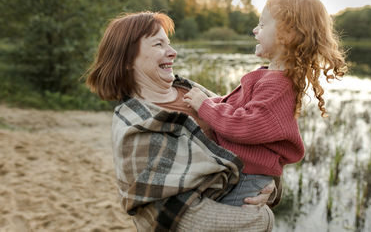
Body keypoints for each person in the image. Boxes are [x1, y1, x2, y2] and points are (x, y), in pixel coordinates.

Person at [85, 12, 280, 232]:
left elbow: (249, 138)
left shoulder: (191, 90)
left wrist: (262, 184)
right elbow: (172, 217)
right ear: (128, 59)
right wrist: (263, 220)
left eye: (169, 43)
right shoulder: (136, 126)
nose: (173, 52)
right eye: (159, 44)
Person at [183, 0, 347, 206]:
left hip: (245, 178)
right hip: (238, 172)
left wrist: (205, 106)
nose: (254, 29)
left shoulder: (278, 84)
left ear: (287, 34)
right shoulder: (270, 77)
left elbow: (248, 124)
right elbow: (236, 105)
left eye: (262, 24)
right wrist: (211, 102)